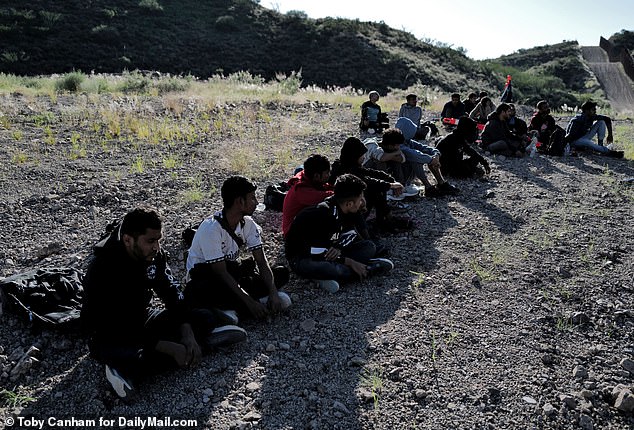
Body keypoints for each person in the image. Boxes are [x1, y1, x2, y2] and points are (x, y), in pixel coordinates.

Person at [82, 208, 246, 401]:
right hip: (110, 331)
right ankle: (118, 369)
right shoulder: (103, 268)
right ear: (128, 240)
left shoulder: (153, 255)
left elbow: (171, 292)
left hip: (143, 315)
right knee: (134, 358)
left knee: (204, 317)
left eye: (158, 240)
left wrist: (187, 331)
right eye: (151, 241)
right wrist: (166, 346)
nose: (157, 247)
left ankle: (198, 341)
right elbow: (113, 323)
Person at [185, 176, 292, 323]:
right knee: (199, 291)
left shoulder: (248, 224)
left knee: (281, 273)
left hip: (233, 276)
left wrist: (273, 292)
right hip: (209, 279)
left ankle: (239, 308)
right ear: (240, 202)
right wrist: (250, 302)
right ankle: (242, 308)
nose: (256, 203)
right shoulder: (211, 229)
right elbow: (220, 272)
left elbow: (261, 261)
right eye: (252, 198)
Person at [285, 173, 394, 293]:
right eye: (360, 199)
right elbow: (316, 252)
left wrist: (338, 248)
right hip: (304, 257)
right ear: (349, 203)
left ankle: (347, 272)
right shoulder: (323, 213)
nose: (362, 202)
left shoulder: (346, 209)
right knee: (330, 268)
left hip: (328, 251)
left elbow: (350, 235)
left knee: (369, 247)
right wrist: (349, 261)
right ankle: (365, 269)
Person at [330, 137, 407, 232]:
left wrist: (389, 179)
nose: (363, 158)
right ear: (354, 156)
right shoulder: (343, 169)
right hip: (346, 206)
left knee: (378, 188)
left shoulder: (350, 164)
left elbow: (369, 172)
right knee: (375, 190)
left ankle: (385, 219)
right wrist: (390, 185)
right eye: (361, 156)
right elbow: (366, 181)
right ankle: (381, 222)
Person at [395, 117, 460, 197]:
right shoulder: (399, 146)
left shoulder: (408, 141)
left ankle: (441, 183)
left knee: (428, 157)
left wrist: (436, 155)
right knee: (417, 160)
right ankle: (428, 188)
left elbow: (425, 148)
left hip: (408, 173)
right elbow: (415, 154)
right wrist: (432, 160)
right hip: (400, 177)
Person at [281, 154, 333, 237]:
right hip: (292, 233)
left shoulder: (307, 177)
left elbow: (326, 188)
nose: (329, 175)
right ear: (316, 176)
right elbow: (326, 196)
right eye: (327, 173)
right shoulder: (301, 190)